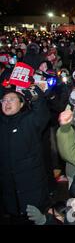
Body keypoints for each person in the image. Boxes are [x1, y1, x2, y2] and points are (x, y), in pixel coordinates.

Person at [0, 86, 50, 224]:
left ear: (21, 104)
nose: (7, 103)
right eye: (3, 100)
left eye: (11, 99)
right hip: (10, 196)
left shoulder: (29, 120)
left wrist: (35, 96)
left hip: (32, 191)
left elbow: (42, 114)